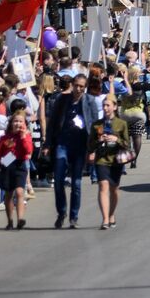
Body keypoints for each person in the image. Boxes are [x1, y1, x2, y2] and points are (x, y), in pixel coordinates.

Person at [48, 74, 99, 229]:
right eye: (76, 85)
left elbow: (96, 126)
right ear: (72, 84)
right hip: (63, 144)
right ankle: (61, 212)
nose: (78, 89)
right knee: (58, 180)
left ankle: (73, 217)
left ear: (85, 87)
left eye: (81, 86)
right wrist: (47, 143)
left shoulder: (90, 101)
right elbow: (53, 122)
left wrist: (93, 149)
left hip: (80, 146)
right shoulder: (62, 100)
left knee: (76, 182)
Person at [87, 93, 130, 231]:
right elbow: (90, 145)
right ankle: (105, 219)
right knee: (102, 186)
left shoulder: (121, 124)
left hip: (116, 160)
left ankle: (111, 214)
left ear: (115, 107)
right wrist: (98, 141)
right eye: (104, 105)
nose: (105, 108)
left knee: (114, 190)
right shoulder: (97, 125)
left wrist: (116, 139)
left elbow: (127, 145)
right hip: (102, 160)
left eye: (108, 105)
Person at [0, 107, 33, 229]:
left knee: (19, 192)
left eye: (21, 121)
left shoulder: (26, 136)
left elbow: (28, 150)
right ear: (11, 123)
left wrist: (23, 136)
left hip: (20, 165)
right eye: (16, 121)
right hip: (7, 166)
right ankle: (10, 221)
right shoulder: (5, 138)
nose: (18, 123)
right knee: (8, 193)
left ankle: (20, 219)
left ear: (24, 124)